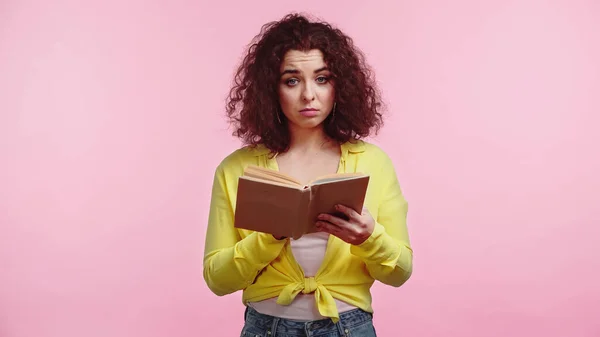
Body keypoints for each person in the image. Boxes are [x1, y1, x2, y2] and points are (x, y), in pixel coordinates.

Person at [203, 13, 413, 337]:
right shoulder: (235, 169)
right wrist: (267, 239)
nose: (308, 95)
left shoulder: (374, 163)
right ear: (270, 89)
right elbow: (217, 279)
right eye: (291, 80)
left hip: (349, 327)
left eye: (322, 78)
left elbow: (401, 272)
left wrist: (369, 239)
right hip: (266, 328)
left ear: (339, 84)